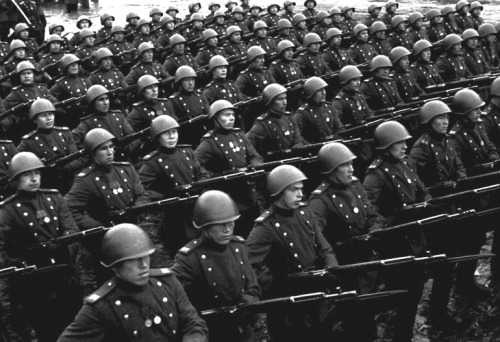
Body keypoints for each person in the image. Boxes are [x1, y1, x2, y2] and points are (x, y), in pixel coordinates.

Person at [58, 223, 208, 342]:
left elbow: (193, 324)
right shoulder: (101, 306)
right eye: (133, 260)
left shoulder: (168, 282)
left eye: (146, 256)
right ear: (115, 266)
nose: (143, 265)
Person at [246, 165, 338, 341]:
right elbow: (248, 264)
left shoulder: (305, 213)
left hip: (317, 295)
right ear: (278, 192)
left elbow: (324, 247)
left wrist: (331, 269)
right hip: (290, 306)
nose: (300, 194)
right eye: (293, 190)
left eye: (301, 189)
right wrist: (272, 284)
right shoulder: (266, 227)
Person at [0, 152, 82, 342]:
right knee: (48, 328)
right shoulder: (7, 210)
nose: (34, 178)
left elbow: (72, 230)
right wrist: (16, 265)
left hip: (64, 272)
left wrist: (64, 248)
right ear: (16, 179)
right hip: (35, 281)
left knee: (76, 323)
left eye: (37, 173)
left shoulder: (54, 198)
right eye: (27, 174)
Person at [308, 142, 385, 341]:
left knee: (369, 314)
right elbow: (315, 237)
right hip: (347, 270)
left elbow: (372, 214)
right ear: (331, 170)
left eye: (351, 164)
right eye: (345, 165)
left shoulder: (355, 184)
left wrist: (374, 232)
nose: (351, 169)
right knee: (359, 323)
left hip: (368, 261)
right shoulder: (319, 200)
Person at [363, 121, 430, 342]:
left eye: (404, 142)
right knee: (405, 294)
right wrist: (392, 222)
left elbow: (421, 190)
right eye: (399, 143)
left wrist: (425, 204)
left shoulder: (406, 163)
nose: (404, 146)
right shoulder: (376, 174)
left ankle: (403, 332)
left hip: (415, 236)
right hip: (396, 242)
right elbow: (369, 211)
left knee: (416, 290)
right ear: (386, 146)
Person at [172, 190, 261, 342]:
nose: (227, 229)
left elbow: (253, 287)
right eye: (220, 225)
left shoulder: (238, 247)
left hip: (243, 329)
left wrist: (249, 301)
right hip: (213, 331)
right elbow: (178, 301)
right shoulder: (189, 258)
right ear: (205, 227)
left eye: (231, 222)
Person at [139, 115, 208, 252]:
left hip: (196, 207)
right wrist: (164, 196)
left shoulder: (187, 152)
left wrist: (199, 187)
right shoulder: (152, 161)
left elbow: (202, 174)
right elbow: (140, 188)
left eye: (174, 132)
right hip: (175, 214)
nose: (171, 137)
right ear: (157, 137)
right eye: (166, 133)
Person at [195, 100, 263, 237]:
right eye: (226, 115)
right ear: (215, 118)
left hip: (246, 191)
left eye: (232, 114)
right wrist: (215, 176)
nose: (231, 118)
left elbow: (255, 156)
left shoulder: (239, 135)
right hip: (227, 194)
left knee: (254, 228)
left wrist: (253, 167)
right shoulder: (209, 141)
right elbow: (194, 163)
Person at [17, 99, 83, 194]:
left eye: (51, 114)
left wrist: (60, 169)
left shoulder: (65, 133)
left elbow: (77, 160)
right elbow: (18, 163)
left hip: (69, 184)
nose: (49, 118)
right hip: (46, 187)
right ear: (35, 119)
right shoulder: (28, 141)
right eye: (44, 115)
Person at [246, 83, 304, 156]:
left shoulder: (289, 117)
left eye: (285, 98)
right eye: (280, 99)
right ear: (270, 102)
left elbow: (298, 138)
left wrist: (296, 148)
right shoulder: (263, 123)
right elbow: (246, 142)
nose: (285, 102)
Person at [294, 76, 344, 143]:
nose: (323, 93)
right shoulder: (302, 114)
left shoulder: (329, 107)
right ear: (312, 93)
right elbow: (298, 137)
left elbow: (340, 128)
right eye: (320, 90)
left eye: (324, 89)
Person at [169, 66, 210, 146]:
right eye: (187, 80)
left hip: (203, 133)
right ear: (180, 82)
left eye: (192, 79)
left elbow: (208, 114)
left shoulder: (200, 96)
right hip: (186, 137)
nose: (191, 83)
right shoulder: (173, 100)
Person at [269, 40, 304, 111]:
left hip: (298, 95)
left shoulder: (294, 63)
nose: (290, 52)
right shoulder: (275, 66)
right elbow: (274, 86)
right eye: (287, 50)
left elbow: (301, 78)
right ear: (281, 52)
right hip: (285, 98)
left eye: (291, 50)